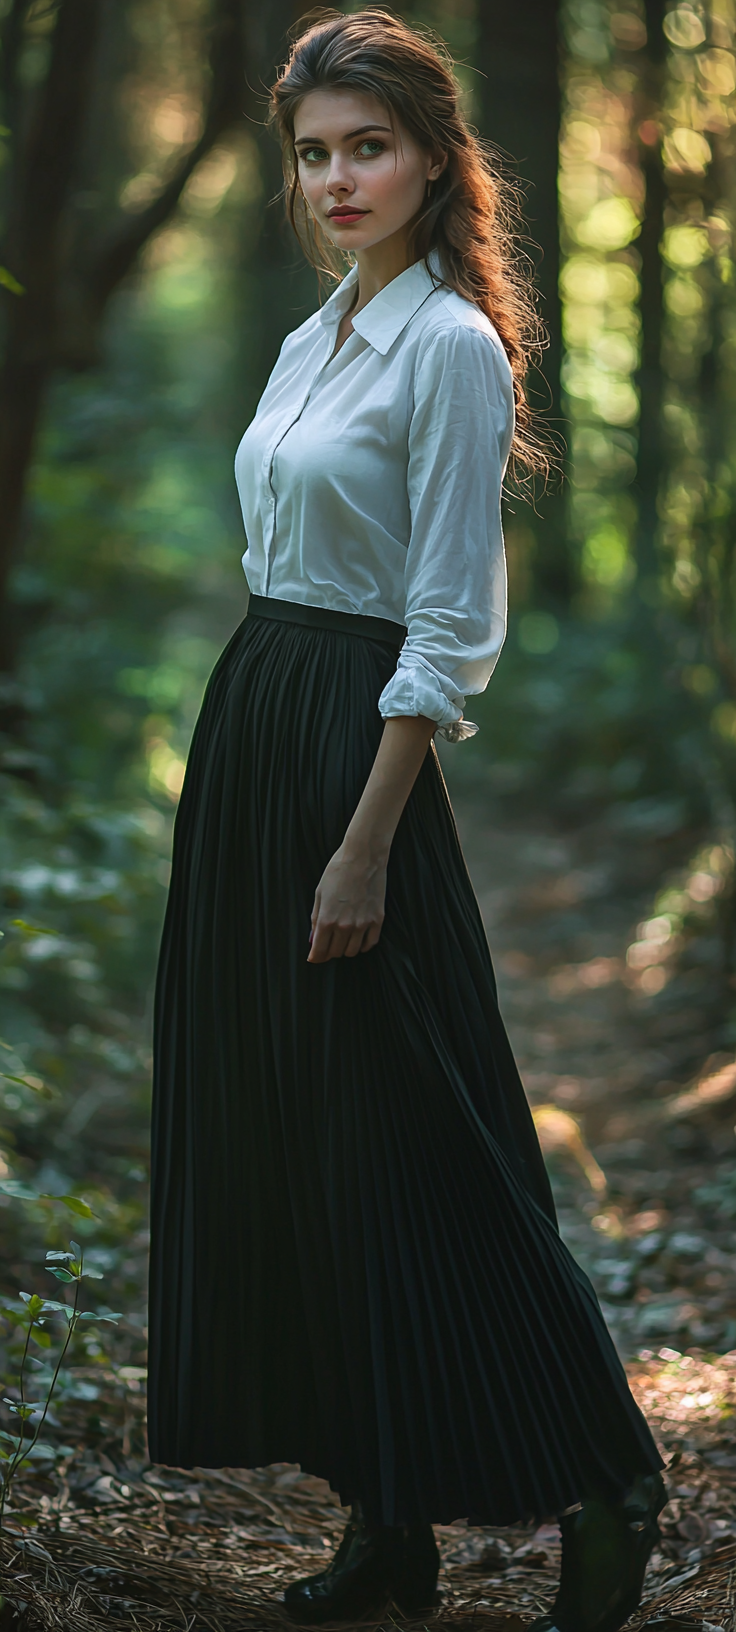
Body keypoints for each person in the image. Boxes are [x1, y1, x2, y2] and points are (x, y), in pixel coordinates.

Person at [147, 10, 666, 1629]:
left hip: (356, 760)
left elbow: (446, 627)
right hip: (261, 729)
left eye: (369, 145)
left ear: (437, 159)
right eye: (315, 153)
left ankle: (610, 1477)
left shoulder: (447, 342)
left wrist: (366, 840)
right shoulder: (318, 335)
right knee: (303, 1136)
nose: (338, 178)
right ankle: (386, 1527)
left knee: (419, 1133)